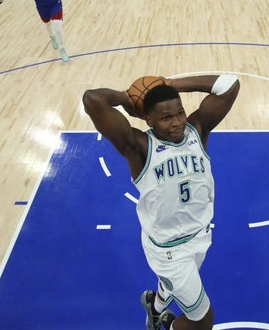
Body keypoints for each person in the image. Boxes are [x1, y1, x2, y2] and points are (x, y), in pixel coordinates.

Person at [82, 74, 240, 330]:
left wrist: (168, 86)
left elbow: (229, 84)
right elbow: (92, 100)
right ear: (148, 119)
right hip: (169, 251)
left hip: (201, 235)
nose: (177, 122)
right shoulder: (139, 147)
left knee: (170, 285)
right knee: (202, 319)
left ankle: (154, 310)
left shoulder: (197, 129)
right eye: (166, 118)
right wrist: (126, 98)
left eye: (180, 113)